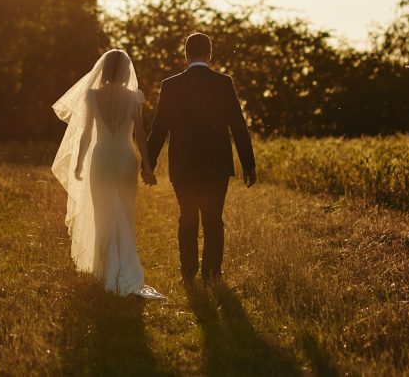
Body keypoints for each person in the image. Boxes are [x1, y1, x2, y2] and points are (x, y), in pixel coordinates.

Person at [52, 49, 164, 298]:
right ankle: (126, 273)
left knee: (103, 215)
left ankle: (105, 272)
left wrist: (80, 163)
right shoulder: (134, 96)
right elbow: (140, 136)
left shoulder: (92, 96)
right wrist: (147, 166)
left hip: (101, 157)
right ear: (126, 70)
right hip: (125, 158)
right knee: (124, 214)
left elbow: (85, 134)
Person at [146, 32, 256, 284]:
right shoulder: (223, 82)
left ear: (186, 55)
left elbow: (159, 128)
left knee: (187, 216)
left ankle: (188, 272)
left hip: (182, 165)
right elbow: (238, 125)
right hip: (216, 165)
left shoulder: (170, 85)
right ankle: (212, 273)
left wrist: (148, 164)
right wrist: (248, 165)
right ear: (210, 54)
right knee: (213, 218)